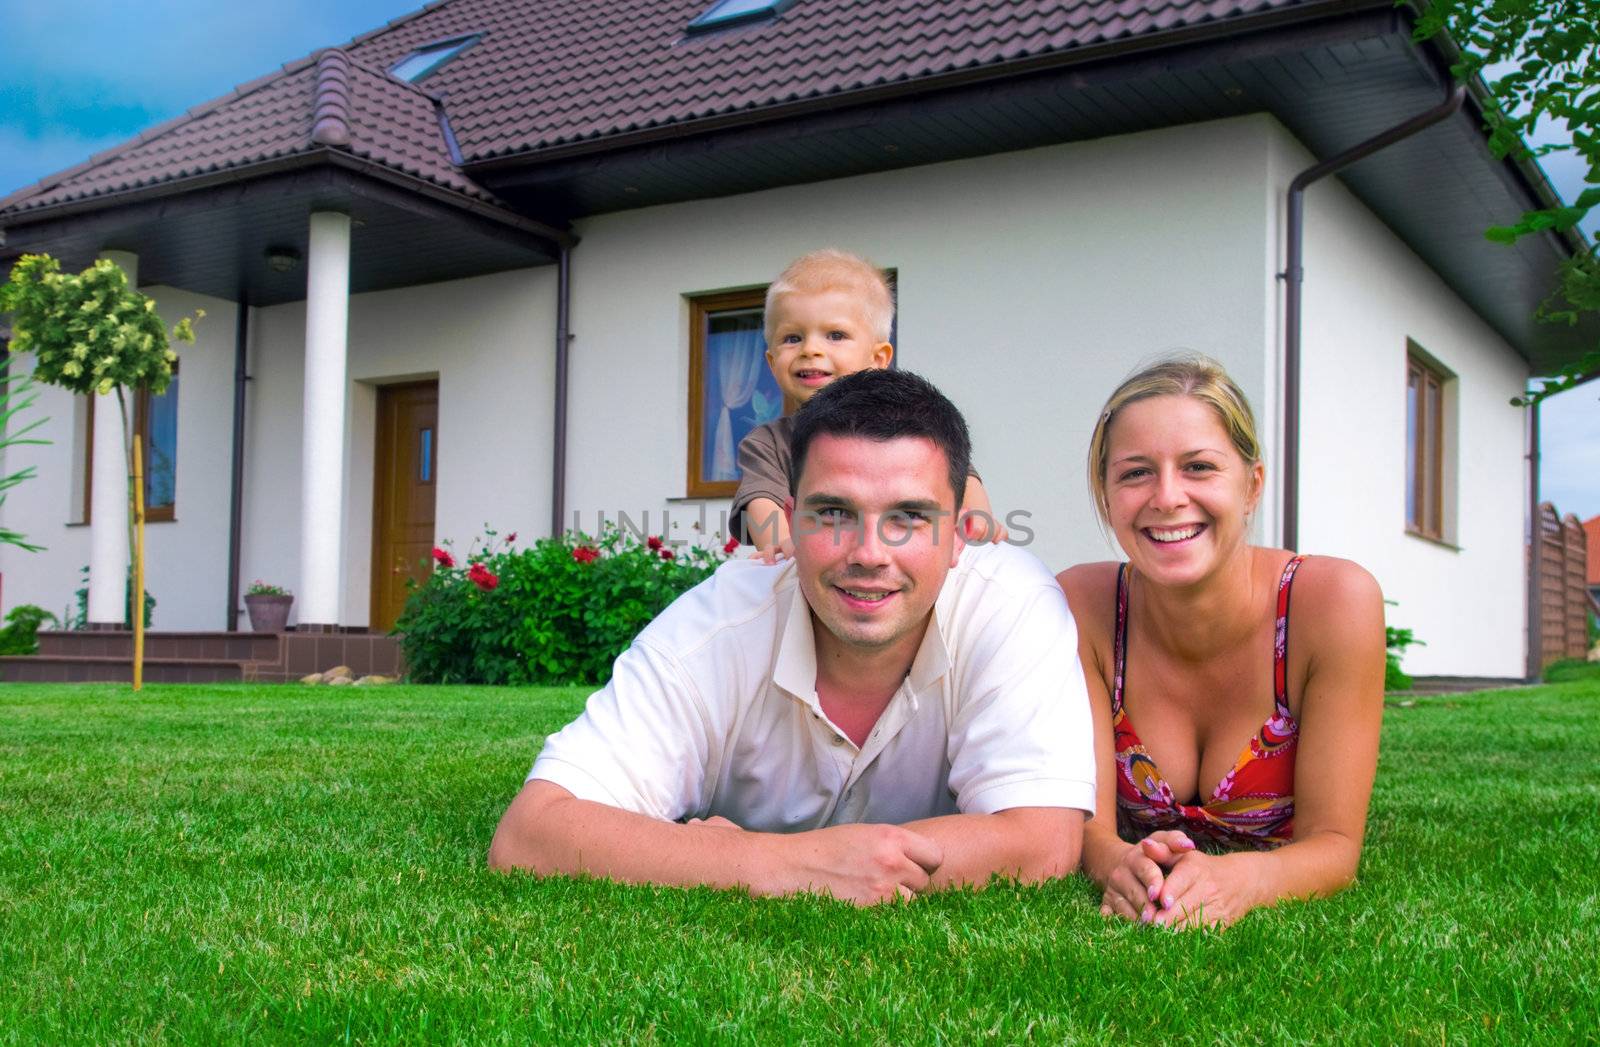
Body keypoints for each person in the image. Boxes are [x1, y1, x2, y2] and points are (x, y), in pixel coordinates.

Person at [490, 370, 1096, 904]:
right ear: (791, 515)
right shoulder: (714, 628)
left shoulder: (1011, 605)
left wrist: (754, 858)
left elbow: (1042, 840)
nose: (868, 554)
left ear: (961, 532)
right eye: (833, 514)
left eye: (908, 518)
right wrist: (779, 866)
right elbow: (532, 833)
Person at [1057, 354, 1385, 929]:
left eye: (1199, 467)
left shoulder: (1332, 603)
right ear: (1106, 495)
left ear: (1252, 485)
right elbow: (1084, 823)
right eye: (1135, 472)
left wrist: (1242, 880)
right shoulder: (1083, 605)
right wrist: (1117, 864)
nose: (1166, 496)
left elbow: (1335, 844)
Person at [731, 248, 1002, 558]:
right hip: (817, 573)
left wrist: (977, 517)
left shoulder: (909, 425)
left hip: (898, 559)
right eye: (792, 338)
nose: (811, 349)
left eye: (835, 335)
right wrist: (782, 545)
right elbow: (762, 503)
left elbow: (959, 474)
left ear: (878, 358)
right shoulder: (768, 444)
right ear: (771, 361)